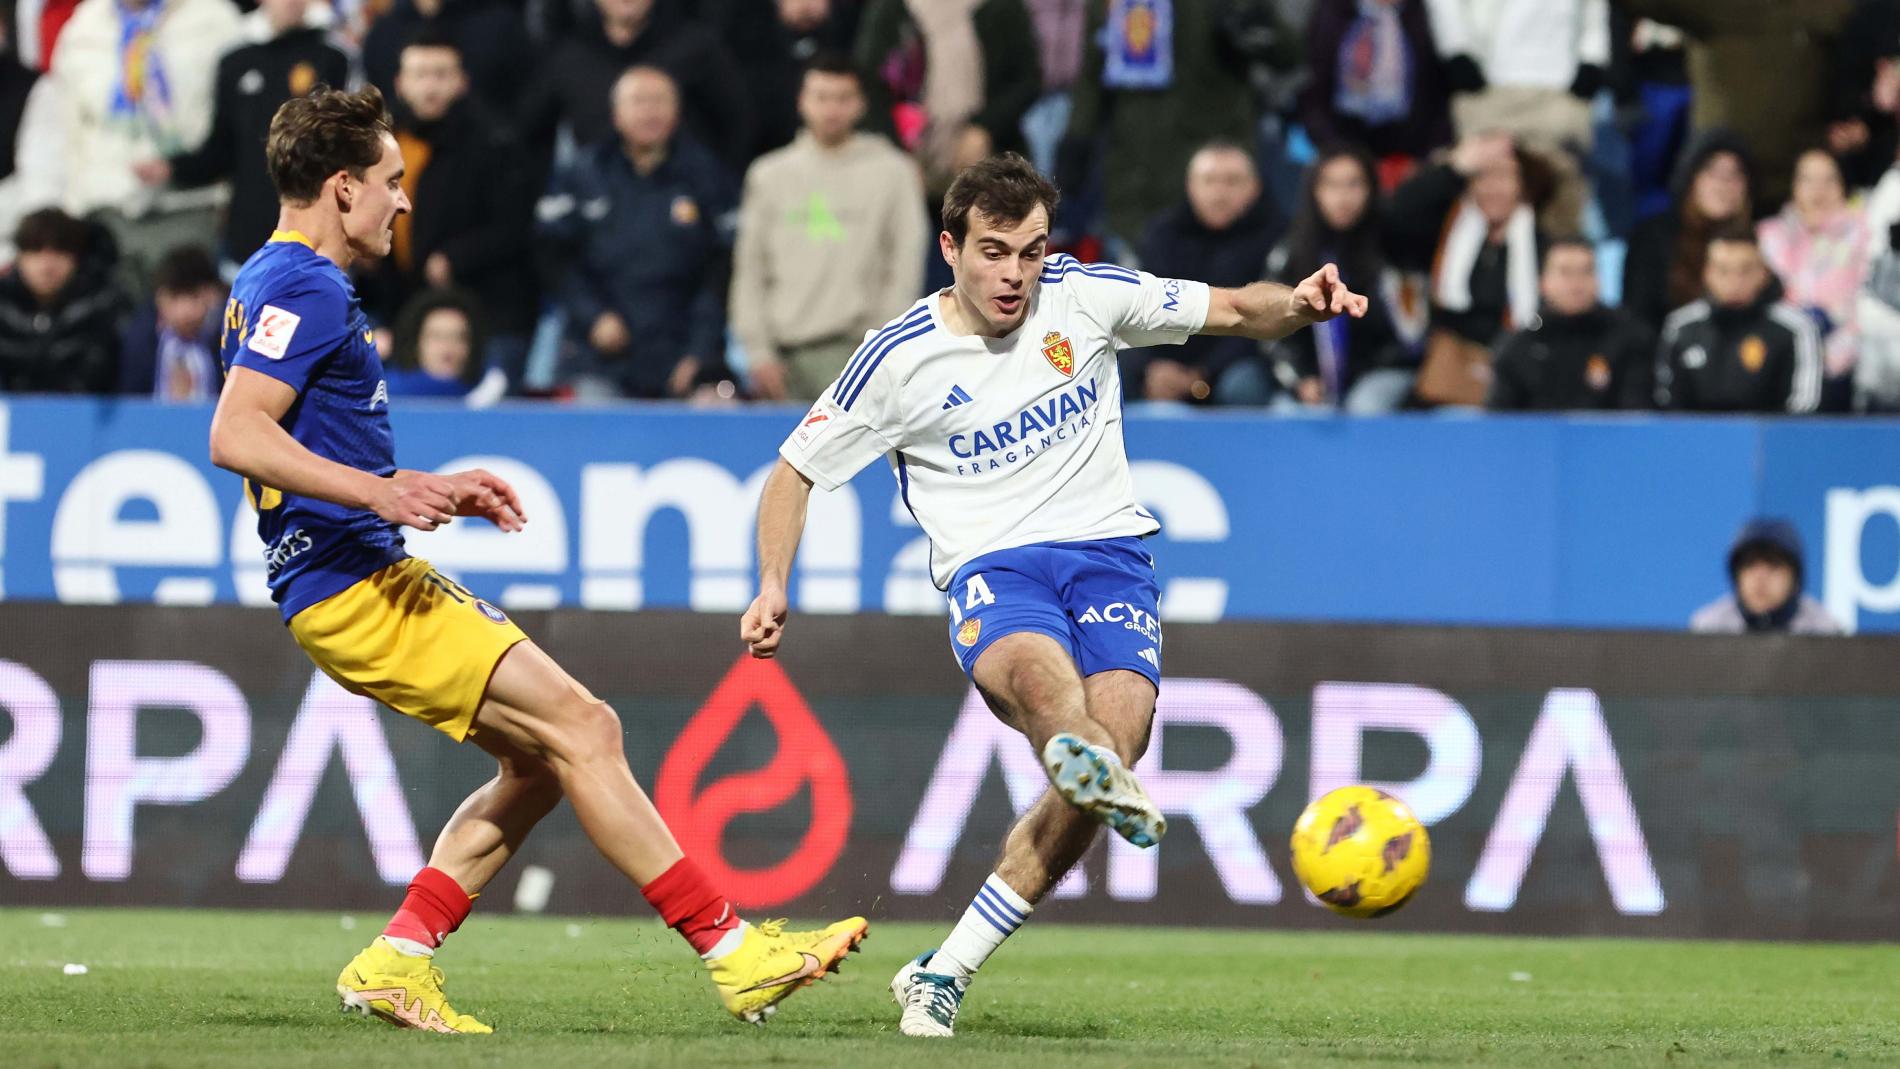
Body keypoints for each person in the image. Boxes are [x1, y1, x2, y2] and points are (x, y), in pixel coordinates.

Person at [207, 85, 864, 1034]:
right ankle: (733, 951)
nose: (403, 200)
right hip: (352, 583)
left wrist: (416, 481)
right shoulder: (304, 283)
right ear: (341, 188)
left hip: (348, 576)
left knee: (544, 761)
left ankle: (400, 956)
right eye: (391, 183)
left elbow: (289, 434)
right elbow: (235, 431)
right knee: (587, 727)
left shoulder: (267, 279)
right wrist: (382, 492)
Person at [739, 152, 1366, 1037]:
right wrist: (772, 582)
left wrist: (1299, 302)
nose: (1015, 274)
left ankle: (943, 967)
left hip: (1110, 554)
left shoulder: (1084, 295)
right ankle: (1087, 759)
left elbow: (1231, 308)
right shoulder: (897, 357)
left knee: (1122, 735)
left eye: (1031, 251)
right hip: (994, 566)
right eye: (994, 251)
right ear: (951, 247)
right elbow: (794, 471)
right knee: (1045, 690)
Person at [730, 54, 926, 401]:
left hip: (858, 353)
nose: (831, 109)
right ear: (801, 102)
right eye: (821, 97)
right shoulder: (768, 174)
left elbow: (905, 266)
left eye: (843, 98)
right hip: (782, 358)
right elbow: (750, 270)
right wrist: (758, 352)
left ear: (861, 104)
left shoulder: (893, 172)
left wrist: (878, 351)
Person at [539, 66, 737, 400]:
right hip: (596, 357)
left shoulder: (706, 175)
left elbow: (720, 271)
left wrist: (699, 352)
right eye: (639, 102)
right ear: (616, 113)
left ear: (677, 112)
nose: (650, 112)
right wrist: (594, 317)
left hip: (681, 356)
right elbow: (552, 257)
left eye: (659, 101)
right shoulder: (584, 173)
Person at [356, 32, 538, 385]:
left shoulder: (496, 141)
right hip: (406, 306)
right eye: (420, 75)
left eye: (441, 75)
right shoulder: (383, 145)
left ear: (462, 82)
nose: (431, 86)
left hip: (489, 311)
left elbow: (515, 225)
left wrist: (455, 258)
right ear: (400, 83)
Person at [41, 0, 244, 295]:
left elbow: (238, 124)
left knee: (189, 330)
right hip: (106, 212)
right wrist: (72, 205)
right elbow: (66, 126)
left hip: (190, 208)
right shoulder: (84, 25)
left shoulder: (215, 18)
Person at [131, 0, 348, 268]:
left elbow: (349, 150)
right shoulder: (235, 61)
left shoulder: (335, 58)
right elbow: (221, 148)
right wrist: (174, 168)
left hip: (317, 237)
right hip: (250, 235)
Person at [1386, 131, 1551, 406]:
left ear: (1523, 184)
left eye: (1504, 177)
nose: (1492, 188)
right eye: (1482, 177)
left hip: (1521, 375)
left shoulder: (1544, 244)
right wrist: (1454, 167)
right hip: (1448, 376)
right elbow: (1398, 216)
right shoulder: (1445, 236)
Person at [1122, 140, 1281, 405]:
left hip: (1236, 364)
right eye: (1209, 181)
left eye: (1232, 181)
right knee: (1113, 369)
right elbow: (1133, 308)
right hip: (1164, 364)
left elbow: (1266, 322)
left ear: (1255, 188)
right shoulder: (1161, 234)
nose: (1219, 193)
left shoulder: (1277, 237)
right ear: (1190, 187)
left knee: (1244, 383)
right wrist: (1151, 367)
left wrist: (1202, 375)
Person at [1268, 147, 1415, 413]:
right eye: (1331, 185)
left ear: (1371, 189)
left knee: (1365, 406)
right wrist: (1301, 380)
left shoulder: (1395, 247)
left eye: (1354, 184)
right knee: (1286, 413)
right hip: (1312, 380)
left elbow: (1409, 332)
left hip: (1382, 372)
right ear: (1314, 191)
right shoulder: (1291, 252)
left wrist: (1355, 373)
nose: (1343, 197)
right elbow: (1273, 329)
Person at [1655, 224, 1822, 414]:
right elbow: (1667, 403)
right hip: (1697, 440)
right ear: (1707, 273)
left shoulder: (1795, 328)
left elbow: (1804, 406)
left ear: (1763, 274)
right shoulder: (1682, 326)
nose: (1734, 281)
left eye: (1745, 270)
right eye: (1723, 270)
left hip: (1771, 440)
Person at [1488, 238, 1654, 410]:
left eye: (1586, 271)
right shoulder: (1519, 345)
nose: (1576, 284)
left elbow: (1637, 418)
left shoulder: (1629, 337)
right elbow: (1500, 423)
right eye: (1565, 273)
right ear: (1543, 282)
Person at [1756, 147, 1867, 394]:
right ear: (1793, 186)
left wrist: (1832, 360)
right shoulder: (1767, 237)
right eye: (1808, 180)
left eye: (1829, 180)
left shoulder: (1865, 233)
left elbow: (1866, 306)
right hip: (1778, 365)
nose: (1819, 191)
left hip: (1850, 370)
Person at [1622, 130, 1753, 333]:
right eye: (1713, 173)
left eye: (1735, 174)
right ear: (1692, 179)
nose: (1724, 185)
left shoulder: (1759, 238)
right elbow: (1637, 316)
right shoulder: (1655, 236)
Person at [1298, 0, 1453, 171]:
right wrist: (1335, 150)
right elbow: (1314, 86)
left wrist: (1430, 154)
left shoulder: (1427, 13)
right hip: (1344, 141)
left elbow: (1439, 88)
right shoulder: (1332, 12)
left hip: (1414, 148)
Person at [0, 205, 124, 392]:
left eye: (60, 252)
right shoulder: (4, 306)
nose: (47, 265)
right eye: (35, 250)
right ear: (19, 257)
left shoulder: (104, 309)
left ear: (77, 258)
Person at [1690, 518, 1842, 634]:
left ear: (1795, 578)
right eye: (1749, 565)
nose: (1760, 578)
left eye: (1773, 565)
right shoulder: (1708, 627)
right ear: (1736, 576)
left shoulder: (1825, 631)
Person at [118, 243, 222, 400]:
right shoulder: (141, 341)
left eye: (195, 297)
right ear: (161, 297)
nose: (187, 310)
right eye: (177, 297)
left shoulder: (224, 340)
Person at [383, 289, 483, 399]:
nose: (446, 348)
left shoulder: (488, 391)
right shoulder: (386, 392)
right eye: (436, 337)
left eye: (458, 338)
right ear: (417, 344)